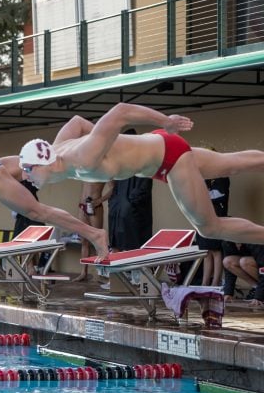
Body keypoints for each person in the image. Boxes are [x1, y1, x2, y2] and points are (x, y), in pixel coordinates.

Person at [20, 102, 264, 246]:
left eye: (28, 171)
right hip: (159, 148)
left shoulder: (85, 156)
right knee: (229, 164)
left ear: (44, 164)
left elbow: (121, 112)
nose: (26, 178)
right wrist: (111, 144)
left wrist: (166, 120)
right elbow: (78, 121)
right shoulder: (59, 146)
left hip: (169, 160)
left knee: (209, 228)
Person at [196, 174, 230, 287]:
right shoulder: (204, 178)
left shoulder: (222, 178)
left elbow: (218, 196)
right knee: (207, 252)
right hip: (203, 219)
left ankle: (216, 282)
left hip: (216, 218)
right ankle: (205, 283)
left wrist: (204, 194)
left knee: (216, 251)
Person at [73, 181, 109, 280]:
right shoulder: (85, 170)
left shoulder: (104, 171)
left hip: (95, 207)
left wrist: (99, 201)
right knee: (84, 241)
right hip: (82, 206)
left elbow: (113, 189)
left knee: (98, 241)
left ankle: (100, 273)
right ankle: (83, 272)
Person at [222, 242, 264, 307]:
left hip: (261, 263)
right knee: (227, 261)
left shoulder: (254, 240)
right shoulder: (227, 241)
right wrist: (228, 293)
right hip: (257, 264)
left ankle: (261, 290)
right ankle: (256, 287)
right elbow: (228, 272)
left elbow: (262, 268)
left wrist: (259, 296)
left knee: (244, 262)